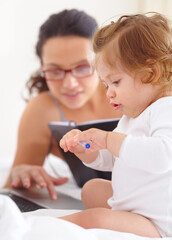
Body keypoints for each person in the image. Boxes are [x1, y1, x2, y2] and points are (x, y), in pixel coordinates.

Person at [59, 12, 172, 238]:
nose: (109, 93)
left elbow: (163, 155)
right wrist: (86, 150)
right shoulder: (131, 116)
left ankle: (32, 224)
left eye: (116, 82)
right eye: (105, 84)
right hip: (135, 207)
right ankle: (119, 216)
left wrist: (109, 139)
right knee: (91, 189)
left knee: (94, 219)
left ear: (151, 73)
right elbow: (112, 158)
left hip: (158, 221)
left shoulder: (165, 108)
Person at [4, 9, 122, 200]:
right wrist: (22, 174)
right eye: (54, 71)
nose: (70, 84)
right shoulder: (43, 110)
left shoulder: (129, 93)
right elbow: (12, 190)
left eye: (82, 67)